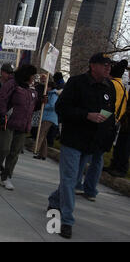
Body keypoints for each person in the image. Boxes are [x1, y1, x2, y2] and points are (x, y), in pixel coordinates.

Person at [48, 52, 116, 239]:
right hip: (73, 140)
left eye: (109, 65)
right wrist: (86, 115)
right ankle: (67, 221)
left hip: (91, 143)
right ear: (93, 65)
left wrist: (106, 138)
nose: (108, 68)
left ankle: (54, 200)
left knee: (73, 179)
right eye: (104, 64)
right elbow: (61, 108)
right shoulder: (77, 83)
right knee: (70, 180)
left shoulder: (109, 87)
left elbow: (111, 114)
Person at [75, 59, 128, 200]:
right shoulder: (123, 88)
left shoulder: (110, 85)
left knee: (85, 155)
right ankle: (91, 190)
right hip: (113, 126)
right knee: (98, 160)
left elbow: (105, 105)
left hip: (101, 124)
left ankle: (77, 184)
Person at [0, 64, 39, 190]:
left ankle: (6, 177)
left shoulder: (33, 89)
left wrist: (41, 101)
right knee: (4, 148)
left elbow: (32, 107)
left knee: (15, 152)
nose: (34, 78)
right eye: (32, 75)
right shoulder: (12, 84)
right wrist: (3, 114)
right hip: (8, 122)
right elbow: (1, 99)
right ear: (27, 74)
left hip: (23, 125)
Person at [34, 81, 59, 161]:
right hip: (46, 116)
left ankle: (36, 149)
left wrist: (44, 105)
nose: (46, 88)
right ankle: (43, 154)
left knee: (41, 133)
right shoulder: (49, 94)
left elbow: (53, 105)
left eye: (47, 87)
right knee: (44, 136)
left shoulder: (54, 94)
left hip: (50, 117)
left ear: (50, 87)